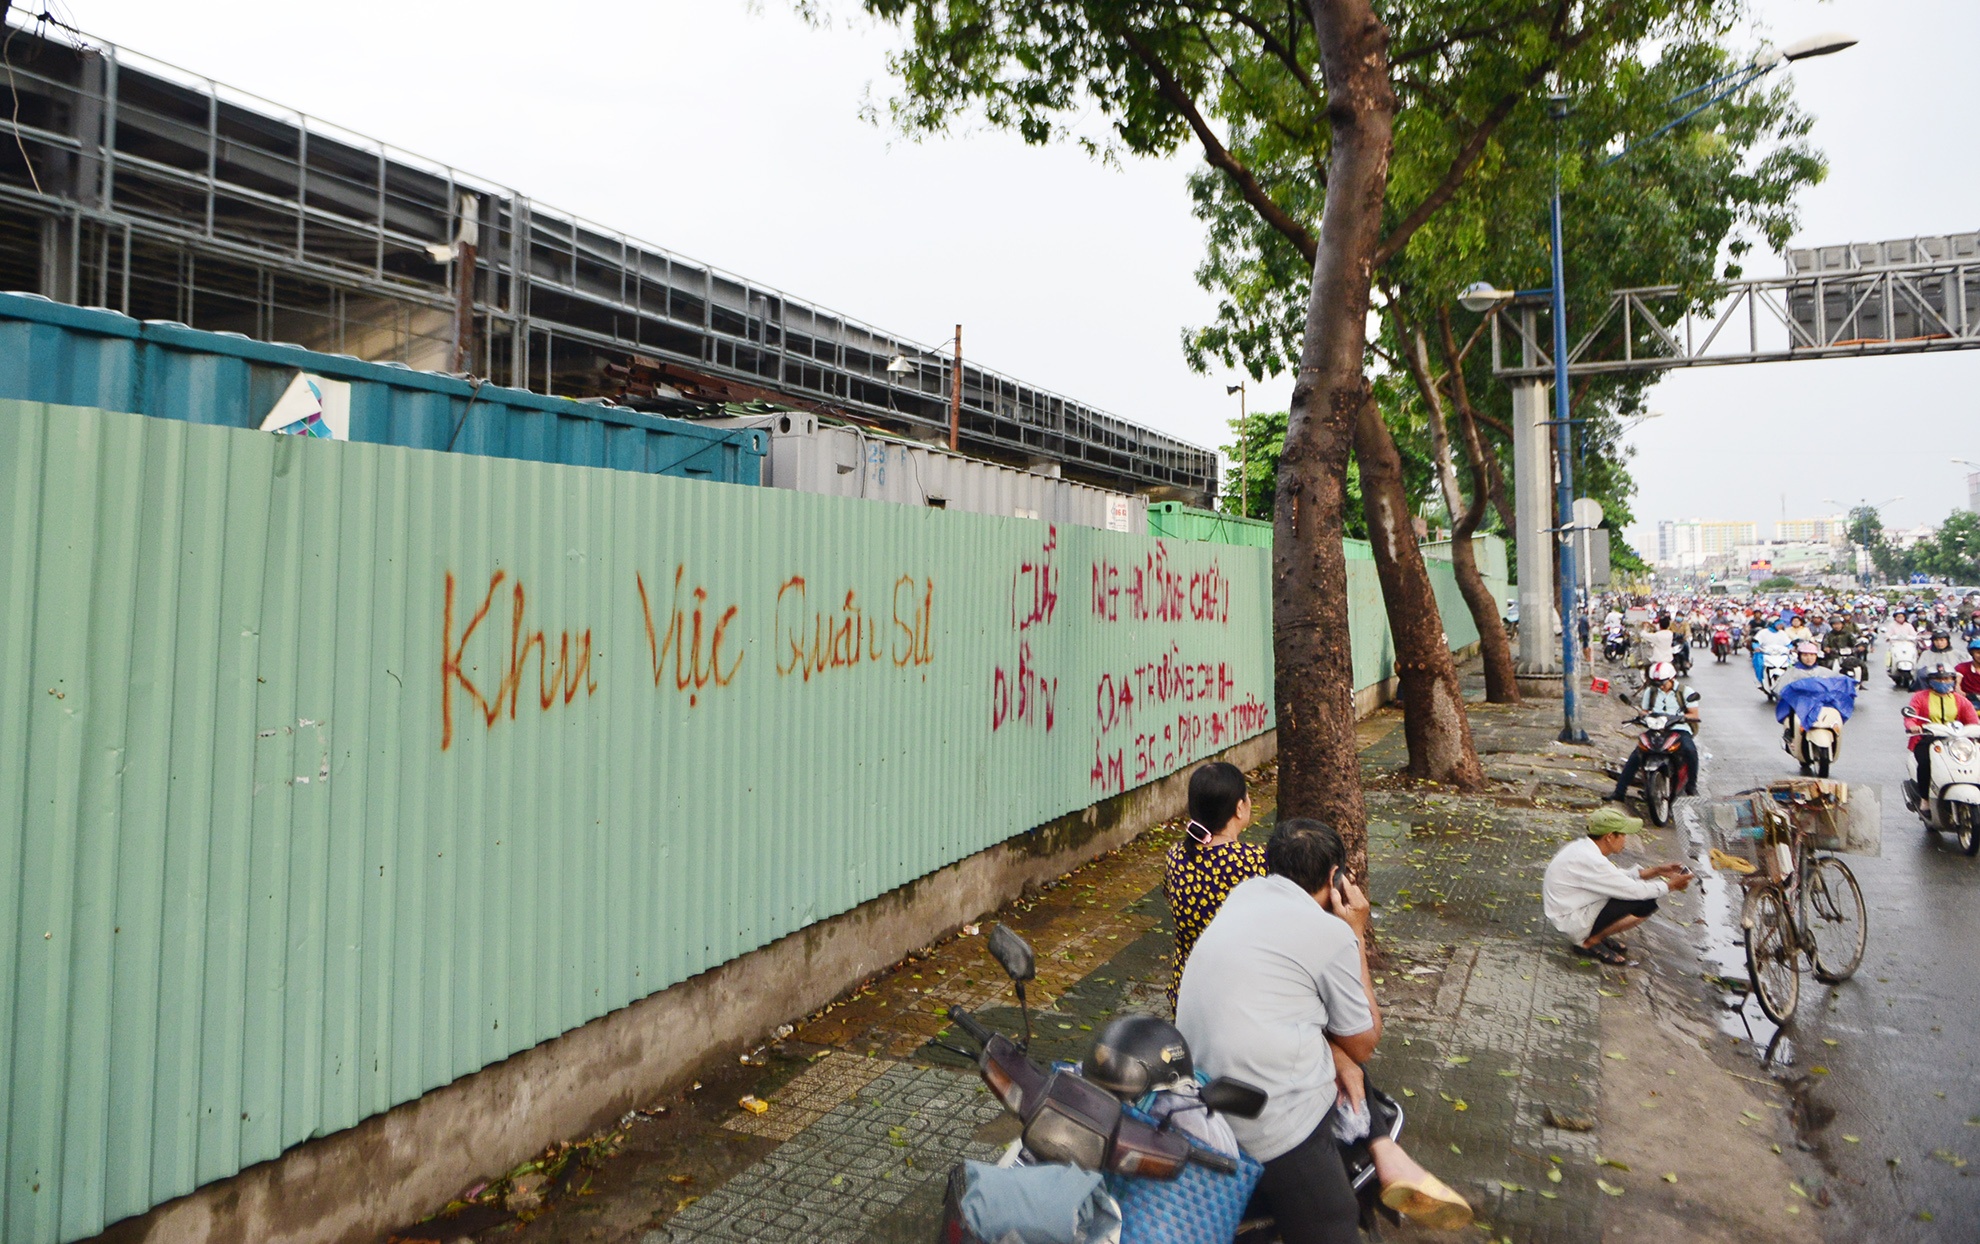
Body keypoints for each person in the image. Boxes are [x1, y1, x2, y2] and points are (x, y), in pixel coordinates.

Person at [1176, 820, 1472, 1239]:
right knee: (1333, 1224)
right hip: (1265, 1119)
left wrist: (1340, 1057)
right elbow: (1365, 1039)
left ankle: (1386, 1153)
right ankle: (1385, 1154)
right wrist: (1354, 931)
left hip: (1197, 1091)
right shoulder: (1329, 932)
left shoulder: (1242, 895)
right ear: (1336, 878)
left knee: (1341, 1057)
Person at [1164, 761, 1263, 1008]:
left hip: (1186, 991)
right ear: (1239, 808)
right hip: (1236, 996)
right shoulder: (1254, 859)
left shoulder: (1176, 854)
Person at [1542, 807, 1694, 965]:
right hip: (1571, 920)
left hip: (1573, 908)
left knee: (1640, 894)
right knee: (1644, 903)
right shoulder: (1591, 860)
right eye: (1623, 835)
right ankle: (1588, 942)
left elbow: (1615, 878)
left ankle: (1595, 934)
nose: (1625, 840)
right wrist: (1671, 886)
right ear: (1609, 837)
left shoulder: (1583, 849)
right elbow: (1634, 891)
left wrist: (1657, 871)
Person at [1607, 661, 1701, 799]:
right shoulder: (1650, 692)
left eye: (1663, 683)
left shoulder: (1685, 692)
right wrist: (1643, 716)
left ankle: (1691, 786)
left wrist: (1678, 717)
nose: (1660, 687)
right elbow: (1644, 711)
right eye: (1657, 684)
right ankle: (1619, 792)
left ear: (1672, 678)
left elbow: (1694, 714)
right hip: (1656, 728)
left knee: (1690, 750)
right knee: (1637, 755)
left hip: (1679, 729)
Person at [1904, 666, 1980, 808]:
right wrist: (1912, 726)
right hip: (1927, 739)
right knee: (1926, 763)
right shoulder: (1920, 697)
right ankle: (1925, 798)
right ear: (1930, 681)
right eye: (1938, 679)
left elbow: (1973, 720)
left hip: (1957, 741)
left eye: (1947, 679)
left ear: (1953, 680)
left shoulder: (1961, 700)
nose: (1943, 682)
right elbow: (1911, 717)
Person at [1751, 617, 1790, 685]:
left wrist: (1791, 648)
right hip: (1766, 653)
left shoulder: (1782, 633)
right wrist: (1756, 647)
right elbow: (1755, 642)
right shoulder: (1763, 632)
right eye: (1778, 624)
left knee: (1791, 663)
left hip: (1780, 654)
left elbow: (1788, 643)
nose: (1781, 626)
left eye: (1781, 624)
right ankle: (1760, 680)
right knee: (1759, 663)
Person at [1956, 637, 1980, 711]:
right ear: (1972, 654)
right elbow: (1957, 682)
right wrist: (1959, 690)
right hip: (1970, 701)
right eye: (1978, 653)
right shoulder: (1962, 667)